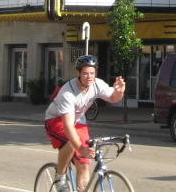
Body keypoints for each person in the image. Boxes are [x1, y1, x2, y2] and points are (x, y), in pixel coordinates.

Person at [44, 55, 125, 192]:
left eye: (92, 73)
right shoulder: (68, 93)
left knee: (84, 164)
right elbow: (68, 126)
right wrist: (81, 148)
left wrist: (119, 92)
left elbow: (112, 98)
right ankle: (59, 177)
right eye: (86, 73)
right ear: (78, 73)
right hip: (56, 119)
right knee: (72, 142)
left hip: (78, 120)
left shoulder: (97, 84)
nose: (89, 77)